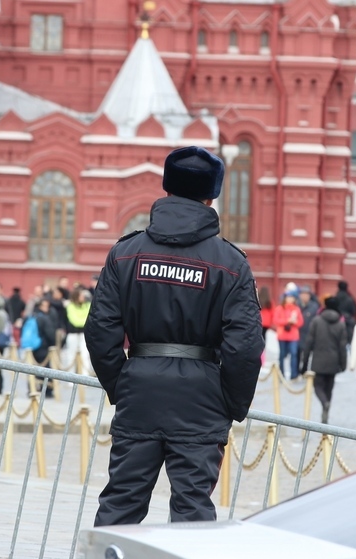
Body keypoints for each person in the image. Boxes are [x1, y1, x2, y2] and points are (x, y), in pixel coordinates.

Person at [84, 146, 264, 526]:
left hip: (140, 390)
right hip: (201, 397)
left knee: (121, 503)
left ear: (166, 187)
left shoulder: (126, 253)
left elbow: (101, 330)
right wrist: (230, 403)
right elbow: (244, 347)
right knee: (192, 512)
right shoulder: (230, 263)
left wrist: (125, 382)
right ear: (211, 195)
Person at [304, 297, 348, 423]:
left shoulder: (316, 321)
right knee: (329, 388)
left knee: (318, 386)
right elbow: (342, 346)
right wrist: (343, 364)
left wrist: (304, 364)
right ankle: (326, 409)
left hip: (318, 359)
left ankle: (324, 403)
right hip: (333, 361)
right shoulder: (340, 324)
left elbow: (309, 343)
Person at [273, 290, 303, 380]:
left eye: (291, 297)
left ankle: (293, 374)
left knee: (293, 354)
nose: (289, 299)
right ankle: (281, 374)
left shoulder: (296, 309)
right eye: (288, 297)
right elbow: (275, 320)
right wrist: (287, 321)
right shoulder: (279, 308)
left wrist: (294, 322)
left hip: (293, 335)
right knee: (282, 355)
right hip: (282, 335)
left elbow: (301, 322)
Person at [64, 286, 92, 373]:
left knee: (85, 355)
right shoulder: (70, 306)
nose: (83, 297)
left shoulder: (87, 305)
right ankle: (70, 378)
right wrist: (84, 321)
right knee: (71, 356)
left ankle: (85, 377)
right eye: (81, 295)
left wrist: (83, 321)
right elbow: (74, 320)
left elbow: (89, 317)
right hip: (73, 333)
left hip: (84, 334)